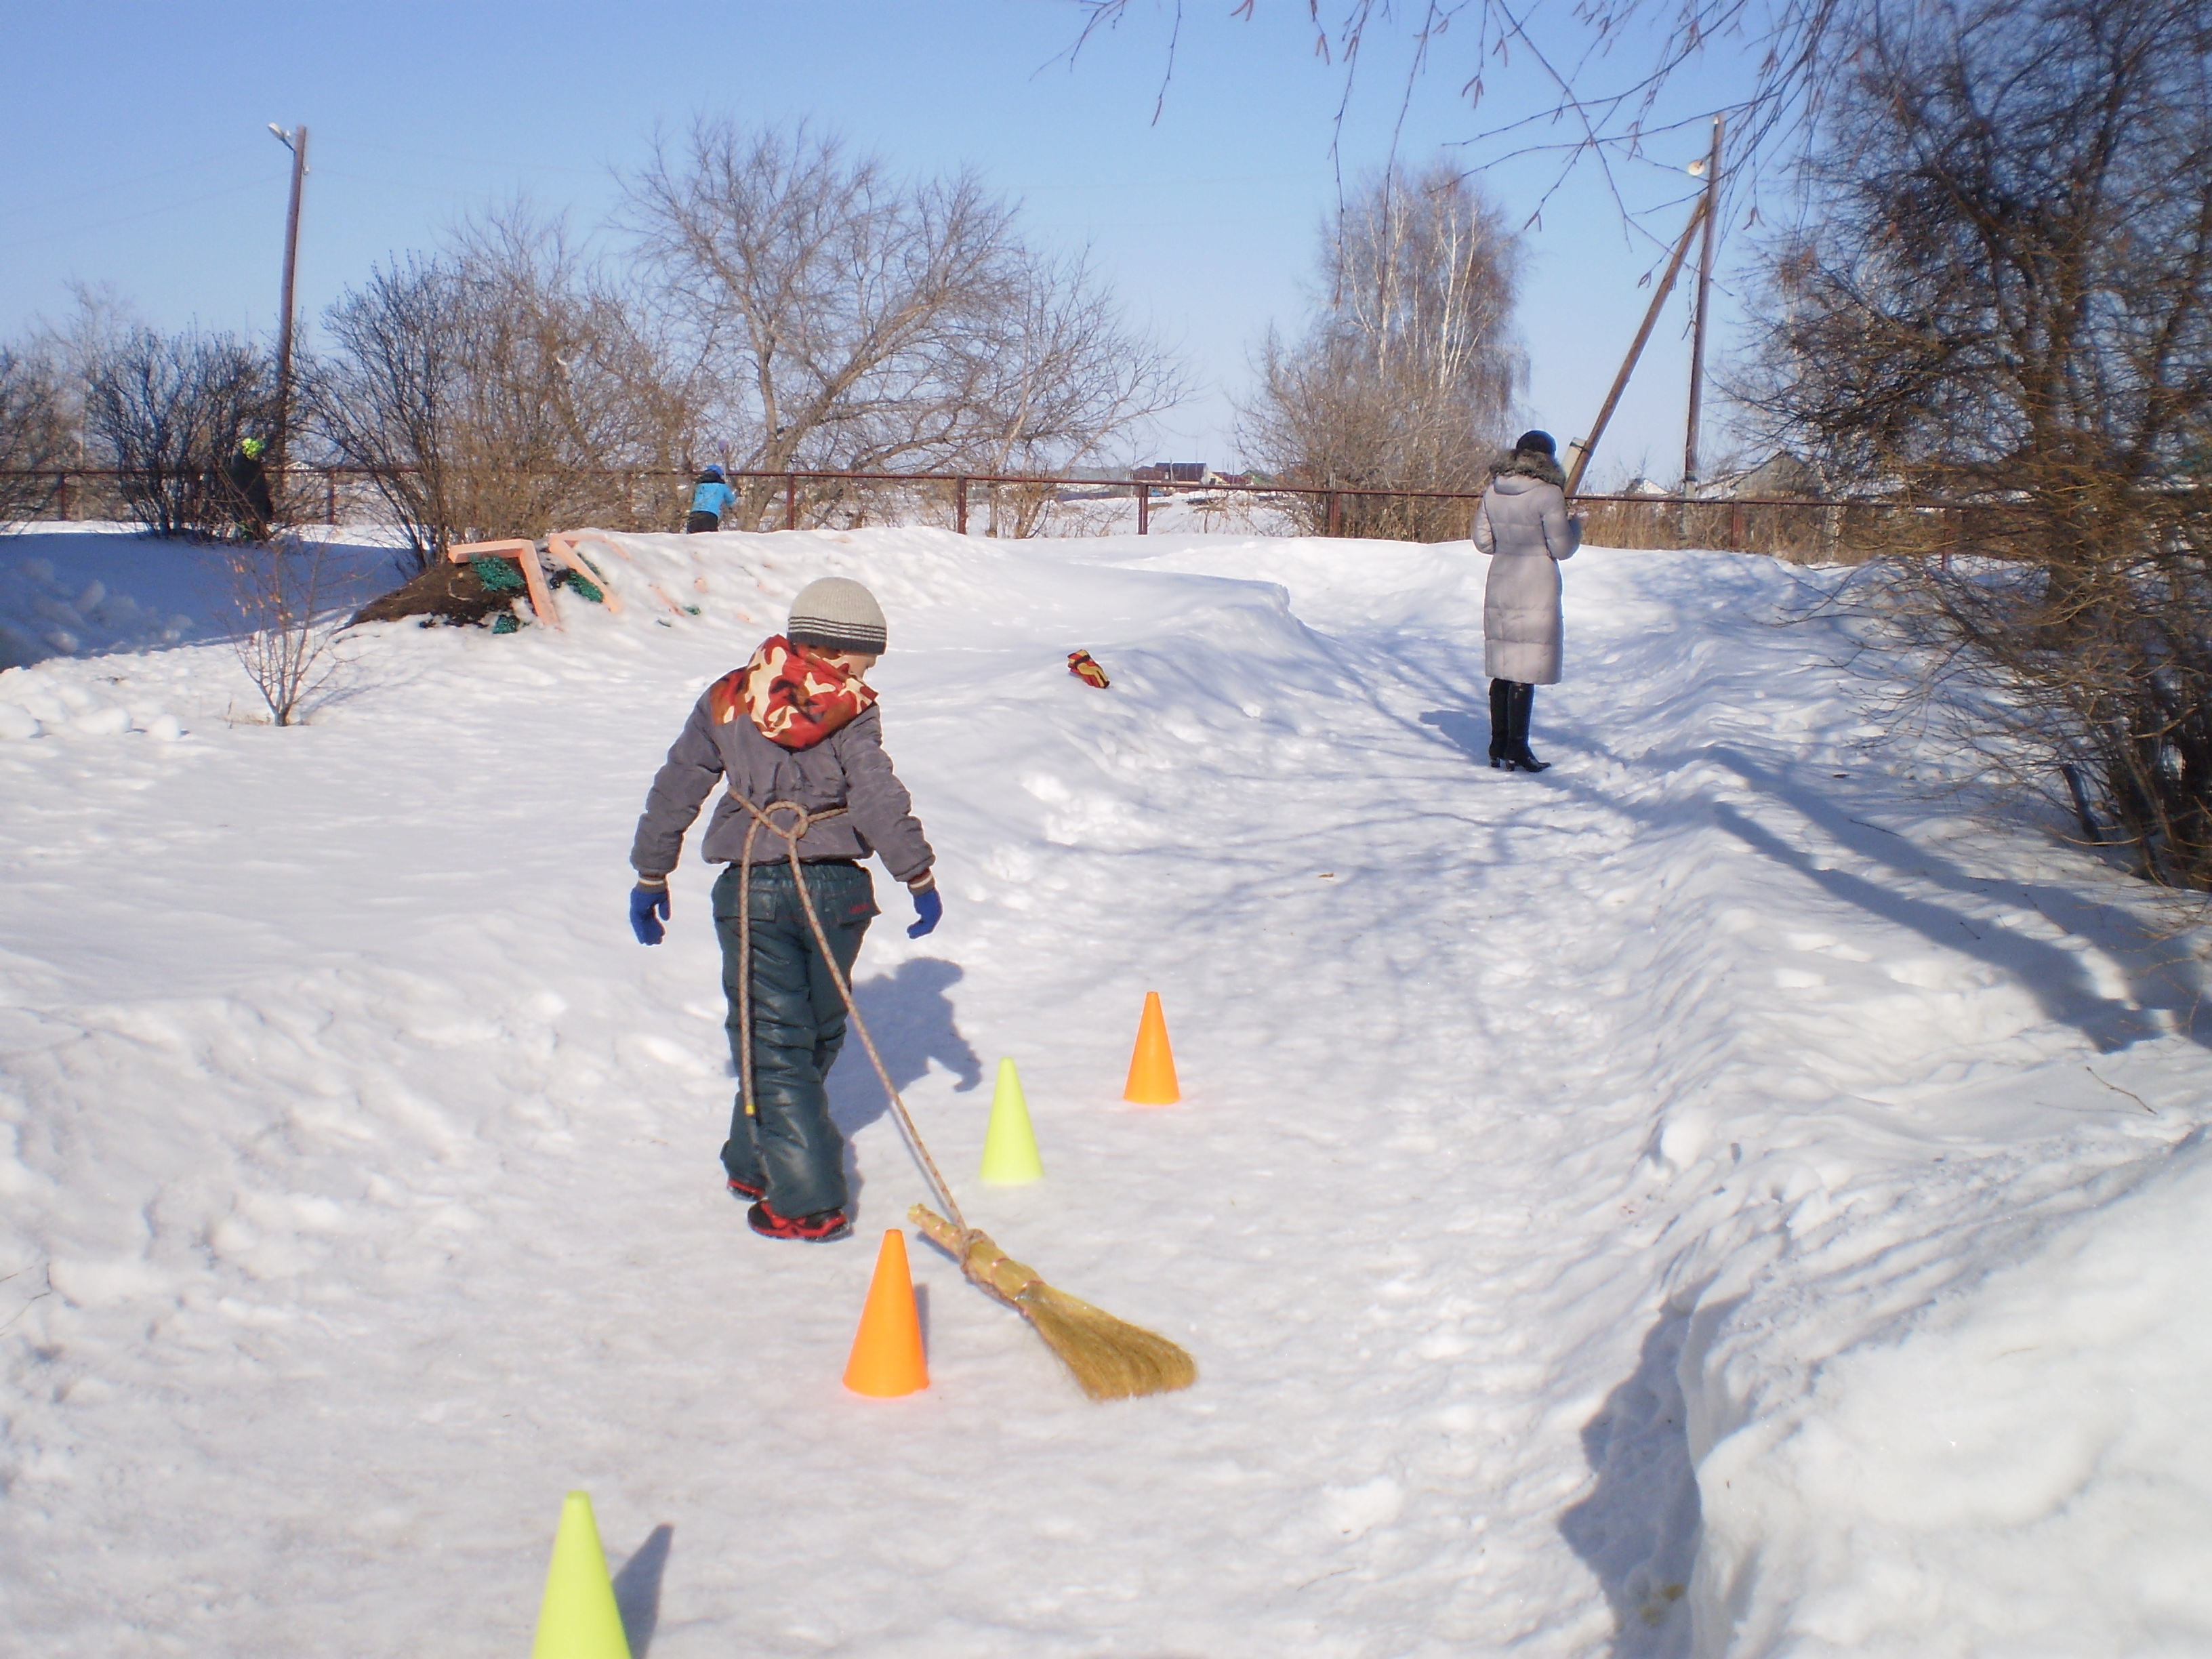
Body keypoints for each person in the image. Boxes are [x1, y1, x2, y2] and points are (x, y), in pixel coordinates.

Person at [628, 577, 942, 1242]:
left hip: (754, 892)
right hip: (837, 893)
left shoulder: (728, 698)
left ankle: (773, 1168)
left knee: (777, 1040)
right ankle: (801, 1196)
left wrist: (652, 872)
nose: (864, 675)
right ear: (837, 649)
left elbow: (677, 787)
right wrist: (915, 872)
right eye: (865, 662)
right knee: (807, 1036)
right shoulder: (852, 707)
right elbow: (876, 792)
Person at [1473, 430, 1582, 772]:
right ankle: (1518, 747)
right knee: (1525, 669)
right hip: (1536, 582)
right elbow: (1562, 548)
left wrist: (1509, 546)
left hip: (1502, 579)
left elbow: (1483, 542)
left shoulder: (1493, 489)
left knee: (1503, 667)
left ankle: (1498, 745)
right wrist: (1576, 526)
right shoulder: (1549, 494)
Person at [224, 436, 274, 541]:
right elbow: (238, 488)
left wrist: (266, 501)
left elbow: (261, 485)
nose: (258, 457)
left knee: (259, 520)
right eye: (256, 454)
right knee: (247, 522)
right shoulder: (240, 467)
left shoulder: (256, 466)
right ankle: (244, 536)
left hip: (258, 502)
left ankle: (256, 535)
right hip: (247, 503)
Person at [686, 465, 735, 533]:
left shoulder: (698, 485)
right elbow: (731, 501)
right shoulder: (722, 486)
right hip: (710, 516)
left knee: (692, 538)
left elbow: (692, 499)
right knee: (709, 538)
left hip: (694, 515)